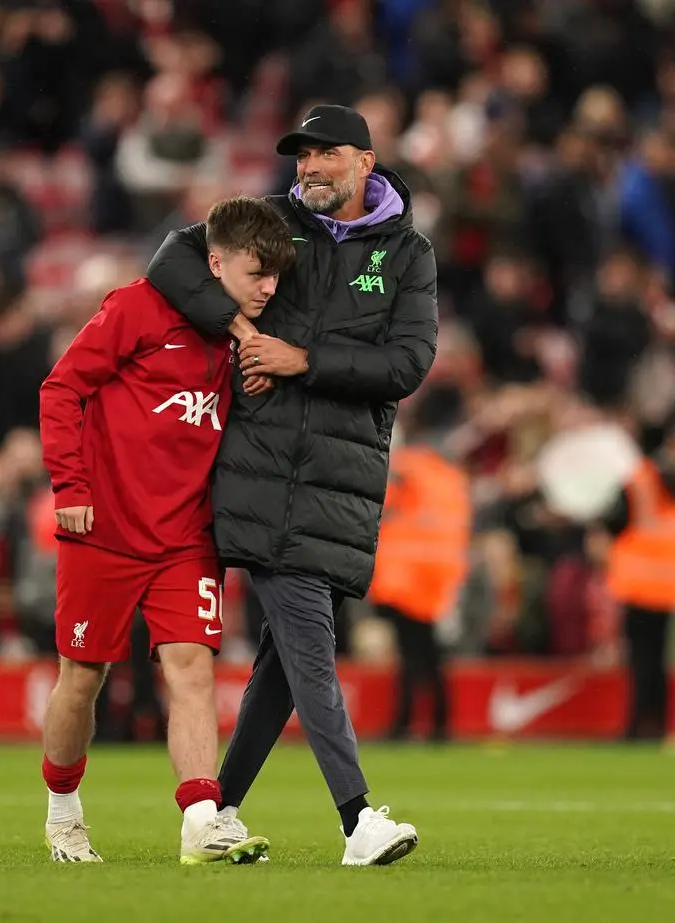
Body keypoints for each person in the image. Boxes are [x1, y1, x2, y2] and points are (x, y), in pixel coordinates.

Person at [146, 104, 437, 866]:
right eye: (300, 156)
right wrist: (242, 333)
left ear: (365, 163)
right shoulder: (271, 221)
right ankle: (357, 819)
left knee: (284, 660)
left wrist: (300, 358)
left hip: (342, 485)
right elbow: (172, 263)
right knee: (310, 647)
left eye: (325, 155)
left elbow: (407, 366)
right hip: (262, 474)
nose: (307, 168)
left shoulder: (408, 254)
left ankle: (218, 812)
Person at [37, 196, 295, 865]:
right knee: (83, 675)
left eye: (275, 275)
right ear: (214, 262)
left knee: (192, 667)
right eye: (255, 272)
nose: (269, 287)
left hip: (186, 535)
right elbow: (61, 389)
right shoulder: (136, 309)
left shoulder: (244, 337)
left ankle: (201, 820)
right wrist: (70, 485)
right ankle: (63, 808)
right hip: (105, 528)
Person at [368, 405, 472, 742]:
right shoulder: (452, 478)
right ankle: (439, 722)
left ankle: (405, 723)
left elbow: (381, 502)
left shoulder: (405, 466)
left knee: (411, 655)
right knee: (430, 654)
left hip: (404, 575)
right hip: (439, 577)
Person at [596, 429, 675, 741]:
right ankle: (661, 723)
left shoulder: (639, 479)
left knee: (641, 658)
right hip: (670, 582)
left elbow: (614, 520)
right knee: (659, 658)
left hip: (640, 581)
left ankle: (637, 725)